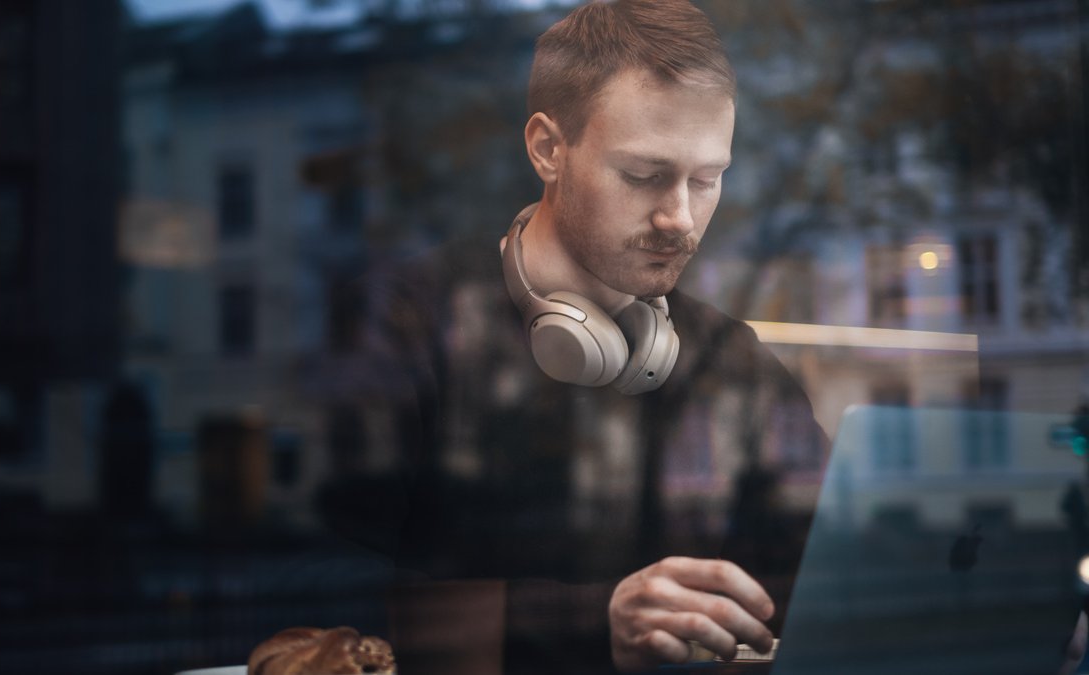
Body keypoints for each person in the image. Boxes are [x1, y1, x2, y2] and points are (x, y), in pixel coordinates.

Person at [319, 0, 1086, 673]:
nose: (680, 218)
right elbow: (358, 622)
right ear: (549, 148)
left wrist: (991, 614)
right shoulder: (406, 326)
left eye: (706, 178)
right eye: (645, 175)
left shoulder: (735, 361)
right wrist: (597, 626)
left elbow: (819, 571)